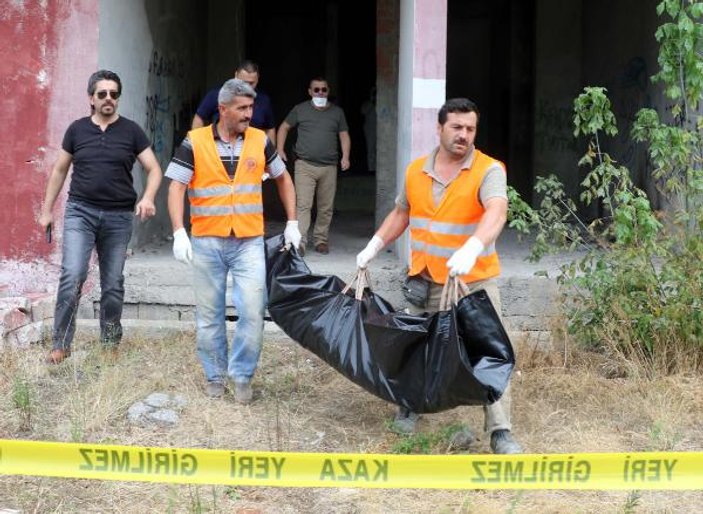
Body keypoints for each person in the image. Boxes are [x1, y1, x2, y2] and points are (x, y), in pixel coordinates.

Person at [355, 98, 522, 454]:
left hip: (472, 281)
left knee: (488, 352)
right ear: (440, 128)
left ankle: (500, 430)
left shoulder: (488, 170)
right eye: (457, 128)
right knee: (414, 347)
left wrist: (473, 247)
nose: (464, 135)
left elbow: (497, 211)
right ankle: (409, 407)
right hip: (425, 279)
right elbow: (402, 213)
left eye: (470, 129)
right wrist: (375, 244)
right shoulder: (417, 170)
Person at [166, 79, 301, 402]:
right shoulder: (194, 141)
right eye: (242, 108)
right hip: (207, 242)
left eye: (251, 107)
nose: (249, 114)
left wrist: (293, 222)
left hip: (248, 241)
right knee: (209, 316)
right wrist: (178, 232)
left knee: (254, 311)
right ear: (222, 109)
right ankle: (214, 376)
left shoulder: (259, 140)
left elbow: (283, 178)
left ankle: (241, 376)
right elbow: (176, 187)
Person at [38, 69, 162, 364]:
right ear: (91, 98)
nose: (109, 99)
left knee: (113, 283)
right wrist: (46, 211)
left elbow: (154, 168)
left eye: (114, 94)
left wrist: (147, 197)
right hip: (81, 212)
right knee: (72, 274)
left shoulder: (131, 131)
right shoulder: (77, 129)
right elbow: (59, 170)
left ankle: (109, 343)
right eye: (102, 94)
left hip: (118, 217)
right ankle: (61, 343)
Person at [276, 77, 350, 255]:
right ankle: (300, 242)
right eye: (316, 90)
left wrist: (345, 157)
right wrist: (279, 150)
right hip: (304, 165)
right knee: (303, 205)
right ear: (310, 91)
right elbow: (284, 127)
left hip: (329, 166)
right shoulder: (300, 110)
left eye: (323, 89)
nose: (320, 93)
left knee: (326, 207)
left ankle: (321, 240)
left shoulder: (337, 112)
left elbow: (344, 135)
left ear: (328, 91)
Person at [192, 60, 276, 144]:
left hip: (252, 151)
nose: (246, 86)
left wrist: (270, 152)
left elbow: (270, 128)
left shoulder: (264, 100)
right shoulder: (217, 95)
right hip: (219, 148)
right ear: (235, 76)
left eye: (251, 83)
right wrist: (197, 144)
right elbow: (199, 118)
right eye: (243, 82)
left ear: (258, 79)